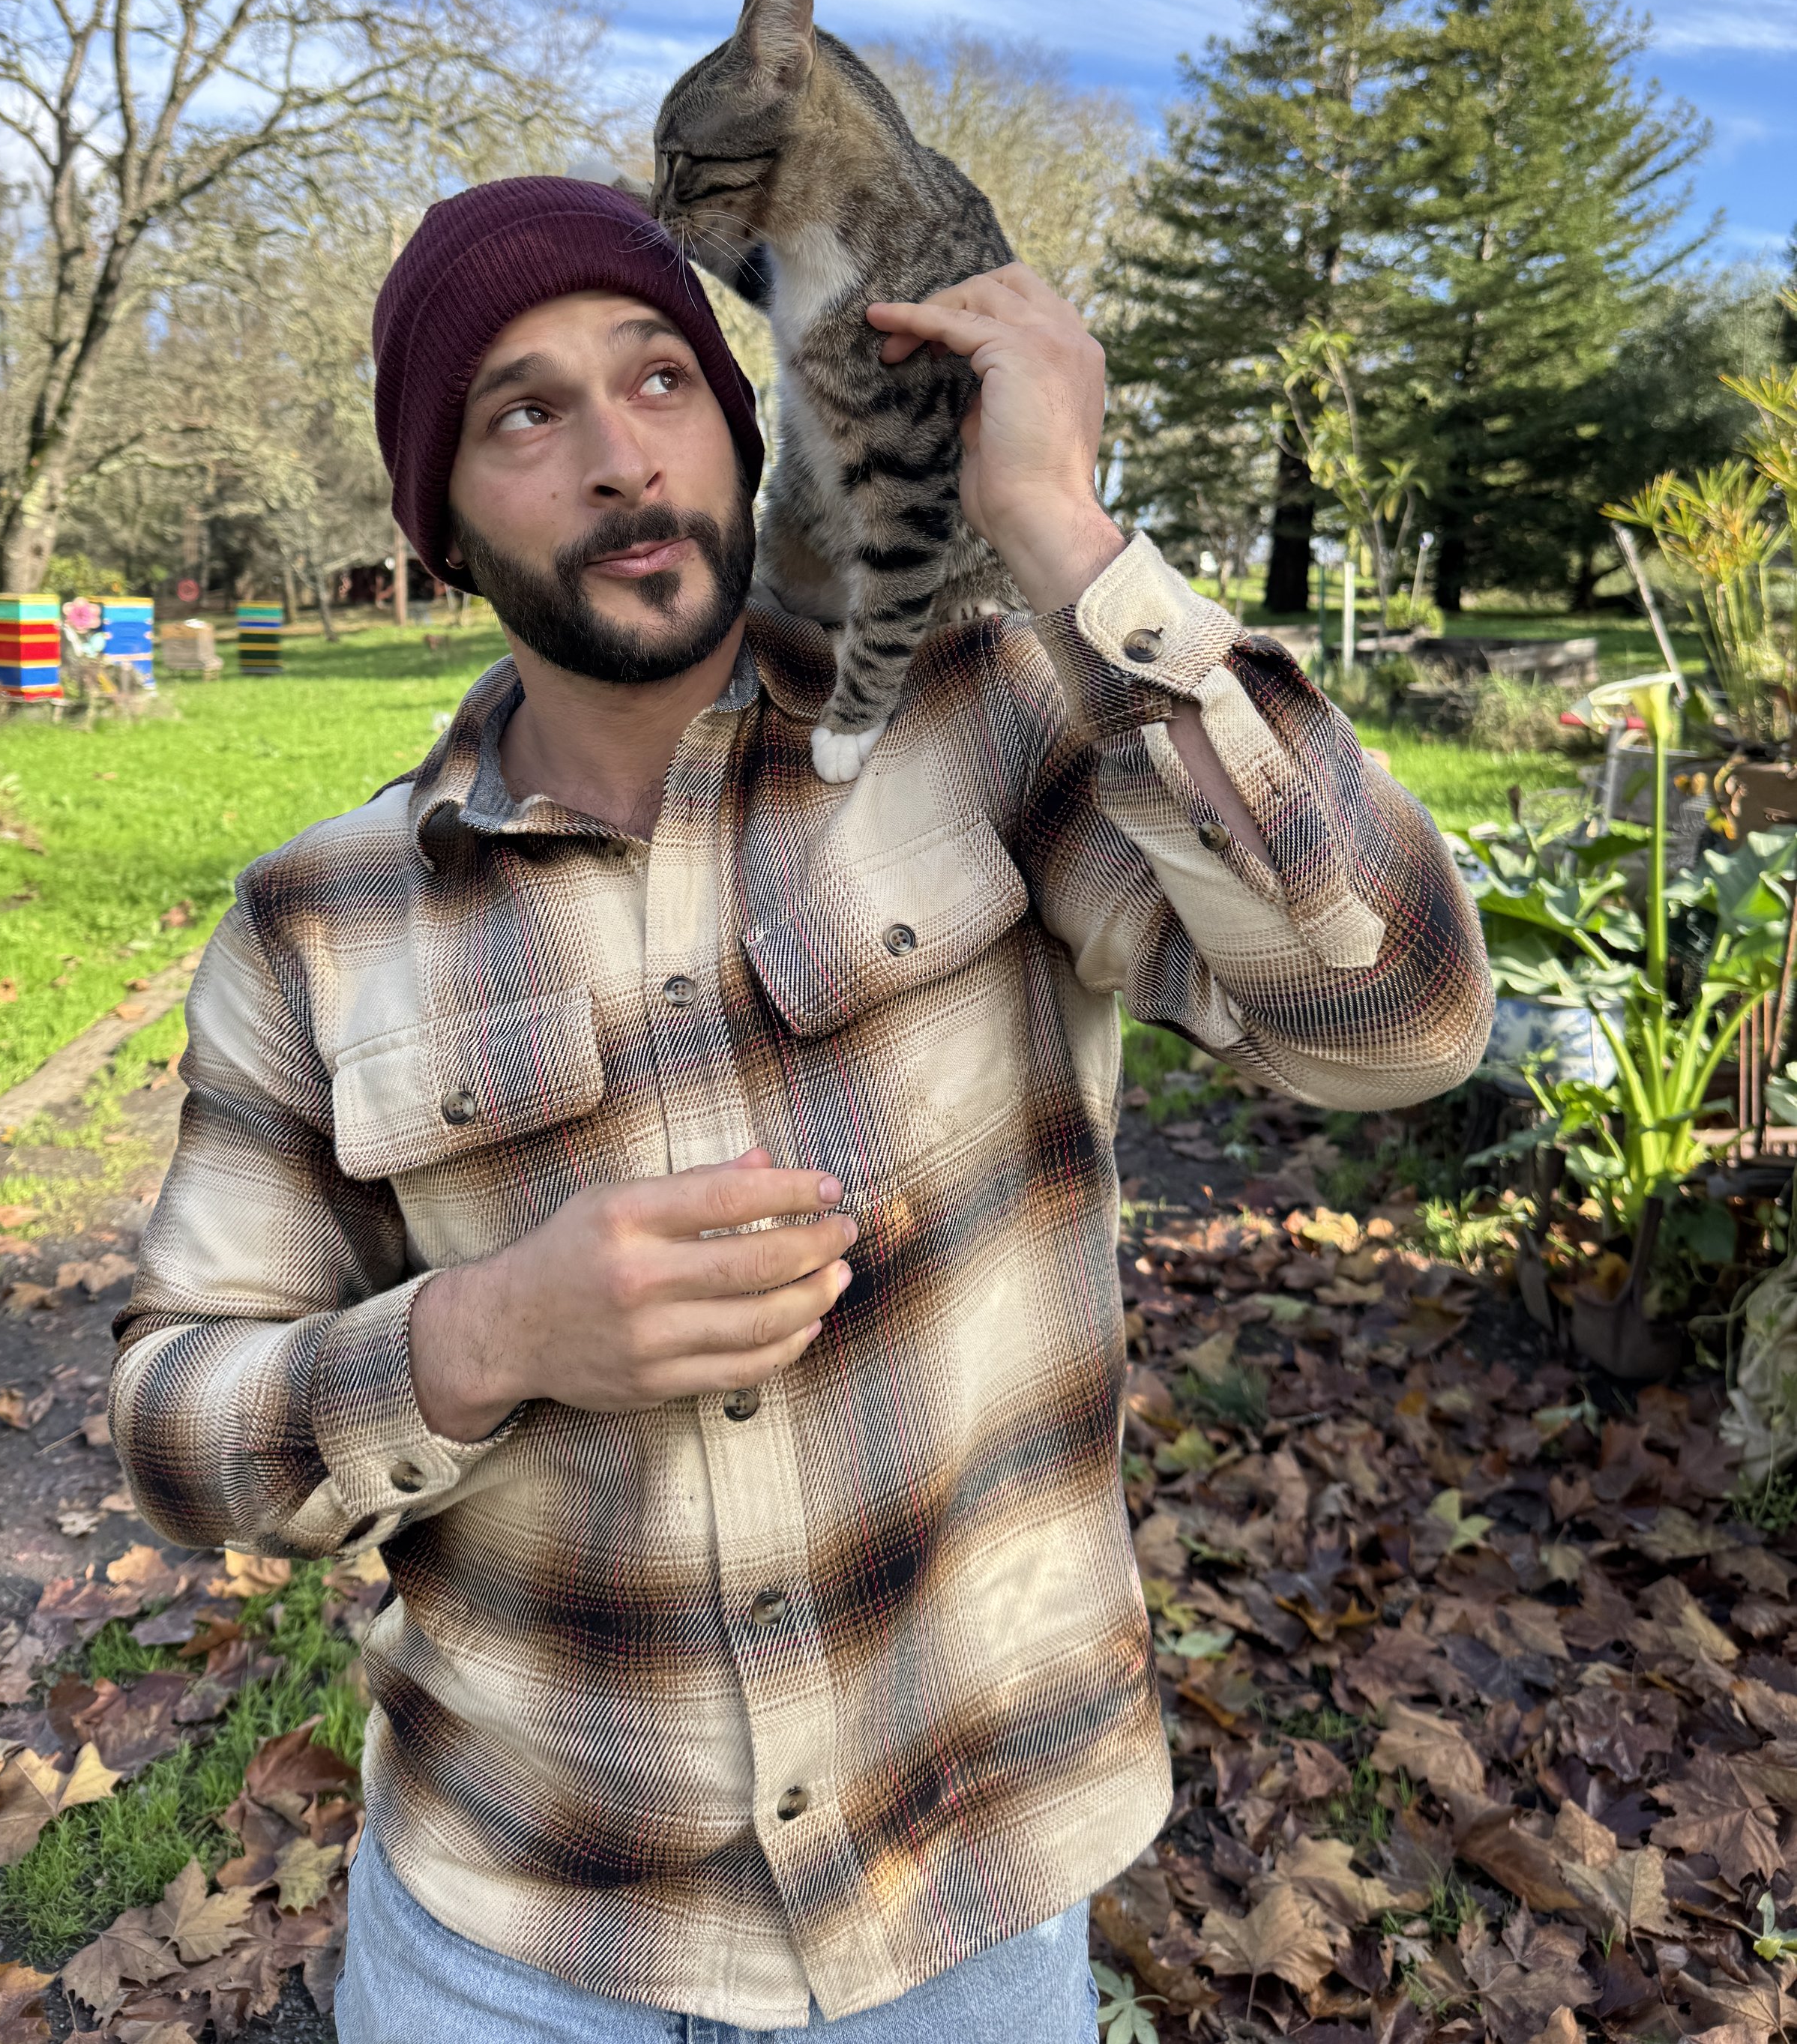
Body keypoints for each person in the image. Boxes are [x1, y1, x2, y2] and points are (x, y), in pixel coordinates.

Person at [110, 178, 1492, 2043]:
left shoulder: (985, 721)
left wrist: (1065, 534)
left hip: (963, 1903)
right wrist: (482, 1334)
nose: (615, 454)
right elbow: (176, 1427)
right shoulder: (316, 920)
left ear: (742, 430)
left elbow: (1393, 1020)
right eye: (523, 411)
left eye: (660, 376)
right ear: (434, 515)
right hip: (512, 1931)